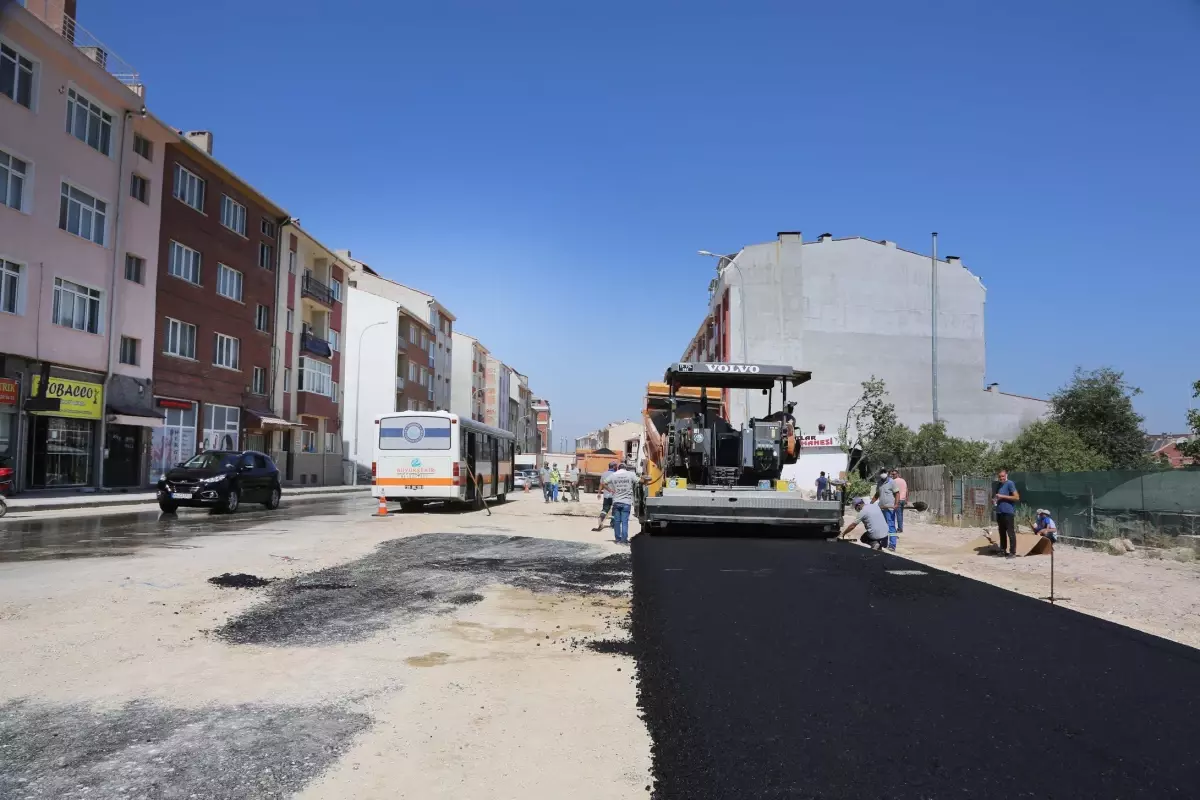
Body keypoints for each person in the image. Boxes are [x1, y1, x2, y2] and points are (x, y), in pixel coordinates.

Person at [602, 462, 644, 545]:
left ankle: (618, 539)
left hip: (616, 501)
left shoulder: (613, 475)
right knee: (624, 522)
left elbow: (603, 483)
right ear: (626, 468)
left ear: (618, 468)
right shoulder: (630, 474)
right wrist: (645, 478)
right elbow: (640, 481)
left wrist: (610, 490)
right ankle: (624, 540)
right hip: (626, 502)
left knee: (617, 521)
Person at [993, 468, 1020, 558]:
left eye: (1003, 476)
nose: (1001, 478)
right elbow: (997, 497)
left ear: (1006, 476)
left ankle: (1012, 552)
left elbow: (1016, 497)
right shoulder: (998, 485)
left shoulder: (1010, 484)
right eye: (1000, 476)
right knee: (1001, 532)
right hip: (999, 511)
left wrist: (1002, 496)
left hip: (1008, 512)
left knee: (1010, 532)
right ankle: (1002, 551)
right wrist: (994, 500)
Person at [873, 469, 899, 544]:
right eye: (881, 473)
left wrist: (896, 504)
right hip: (881, 508)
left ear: (887, 473)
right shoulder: (879, 483)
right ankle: (884, 543)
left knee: (891, 526)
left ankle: (892, 544)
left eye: (884, 472)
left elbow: (897, 493)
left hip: (890, 508)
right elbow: (877, 494)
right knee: (883, 526)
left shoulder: (892, 482)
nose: (883, 474)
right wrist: (871, 504)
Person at [592, 461, 617, 531]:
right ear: (614, 466)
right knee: (614, 510)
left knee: (605, 509)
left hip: (606, 495)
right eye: (616, 466)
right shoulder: (615, 474)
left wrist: (599, 493)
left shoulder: (604, 474)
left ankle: (601, 518)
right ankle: (613, 524)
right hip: (614, 495)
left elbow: (601, 484)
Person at [890, 468, 909, 540]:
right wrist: (907, 499)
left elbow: (892, 491)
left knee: (895, 514)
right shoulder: (903, 480)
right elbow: (907, 490)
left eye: (894, 474)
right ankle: (900, 528)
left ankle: (897, 528)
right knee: (900, 514)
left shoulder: (893, 481)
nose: (892, 475)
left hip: (897, 500)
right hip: (903, 500)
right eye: (892, 474)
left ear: (897, 474)